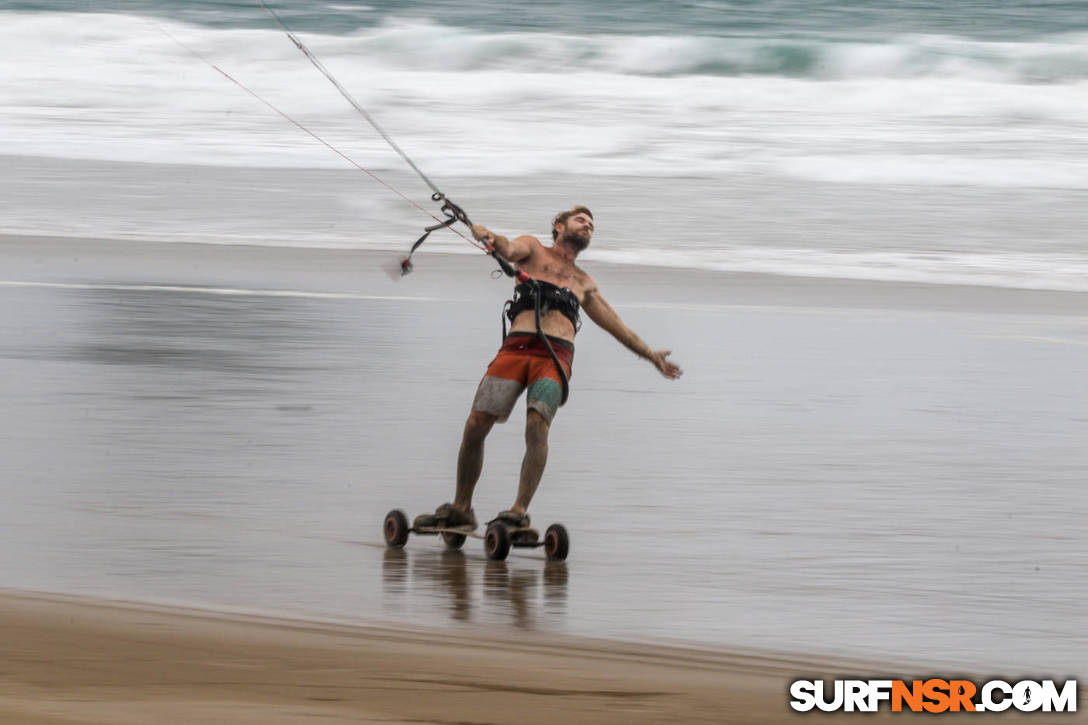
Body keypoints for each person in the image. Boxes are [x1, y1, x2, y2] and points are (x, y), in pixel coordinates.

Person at [414, 206, 683, 532]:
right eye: (581, 221)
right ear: (559, 226)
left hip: (554, 358)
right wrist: (489, 236)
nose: (587, 227)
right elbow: (508, 248)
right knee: (476, 424)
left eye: (591, 226)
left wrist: (650, 354)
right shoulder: (532, 249)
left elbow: (616, 326)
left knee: (537, 426)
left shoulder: (583, 282)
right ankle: (461, 508)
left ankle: (518, 511)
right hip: (515, 351)